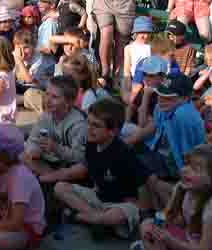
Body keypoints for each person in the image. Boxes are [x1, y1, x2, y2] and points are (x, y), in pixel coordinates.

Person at [51, 98, 150, 239]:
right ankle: (97, 220)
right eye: (88, 123)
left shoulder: (124, 153)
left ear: (112, 131)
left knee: (116, 216)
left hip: (121, 204)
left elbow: (143, 184)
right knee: (60, 188)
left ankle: (82, 218)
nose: (89, 129)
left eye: (96, 125)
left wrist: (143, 212)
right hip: (98, 198)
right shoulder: (91, 144)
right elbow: (90, 171)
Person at [133, 145, 212, 250]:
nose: (185, 170)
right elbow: (169, 218)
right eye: (186, 164)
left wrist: (171, 242)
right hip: (188, 238)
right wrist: (160, 226)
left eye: (195, 169)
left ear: (211, 180)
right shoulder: (184, 188)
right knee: (146, 224)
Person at [21, 76, 88, 178]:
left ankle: (50, 178)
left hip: (67, 165)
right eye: (47, 94)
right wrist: (33, 150)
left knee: (78, 169)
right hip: (48, 161)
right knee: (21, 155)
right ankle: (48, 177)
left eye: (55, 97)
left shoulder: (78, 124)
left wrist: (56, 148)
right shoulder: (46, 115)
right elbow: (33, 139)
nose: (48, 100)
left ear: (68, 102)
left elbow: (79, 156)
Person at [13, 29, 53, 94]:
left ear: (33, 46)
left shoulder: (39, 59)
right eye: (18, 47)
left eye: (26, 47)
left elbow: (29, 80)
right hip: (21, 87)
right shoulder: (15, 55)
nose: (22, 51)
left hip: (37, 89)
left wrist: (19, 61)